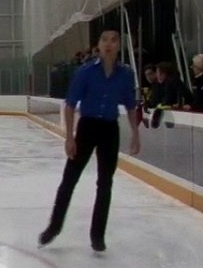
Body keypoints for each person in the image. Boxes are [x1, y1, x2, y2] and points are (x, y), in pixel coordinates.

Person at [39, 29, 141, 253]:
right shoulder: (85, 72)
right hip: (87, 128)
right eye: (104, 40)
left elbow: (131, 105)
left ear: (119, 45)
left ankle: (97, 235)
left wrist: (135, 133)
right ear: (99, 44)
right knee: (69, 180)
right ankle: (54, 227)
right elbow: (70, 104)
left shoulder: (125, 74)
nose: (109, 44)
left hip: (109, 130)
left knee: (105, 183)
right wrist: (69, 137)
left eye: (113, 40)